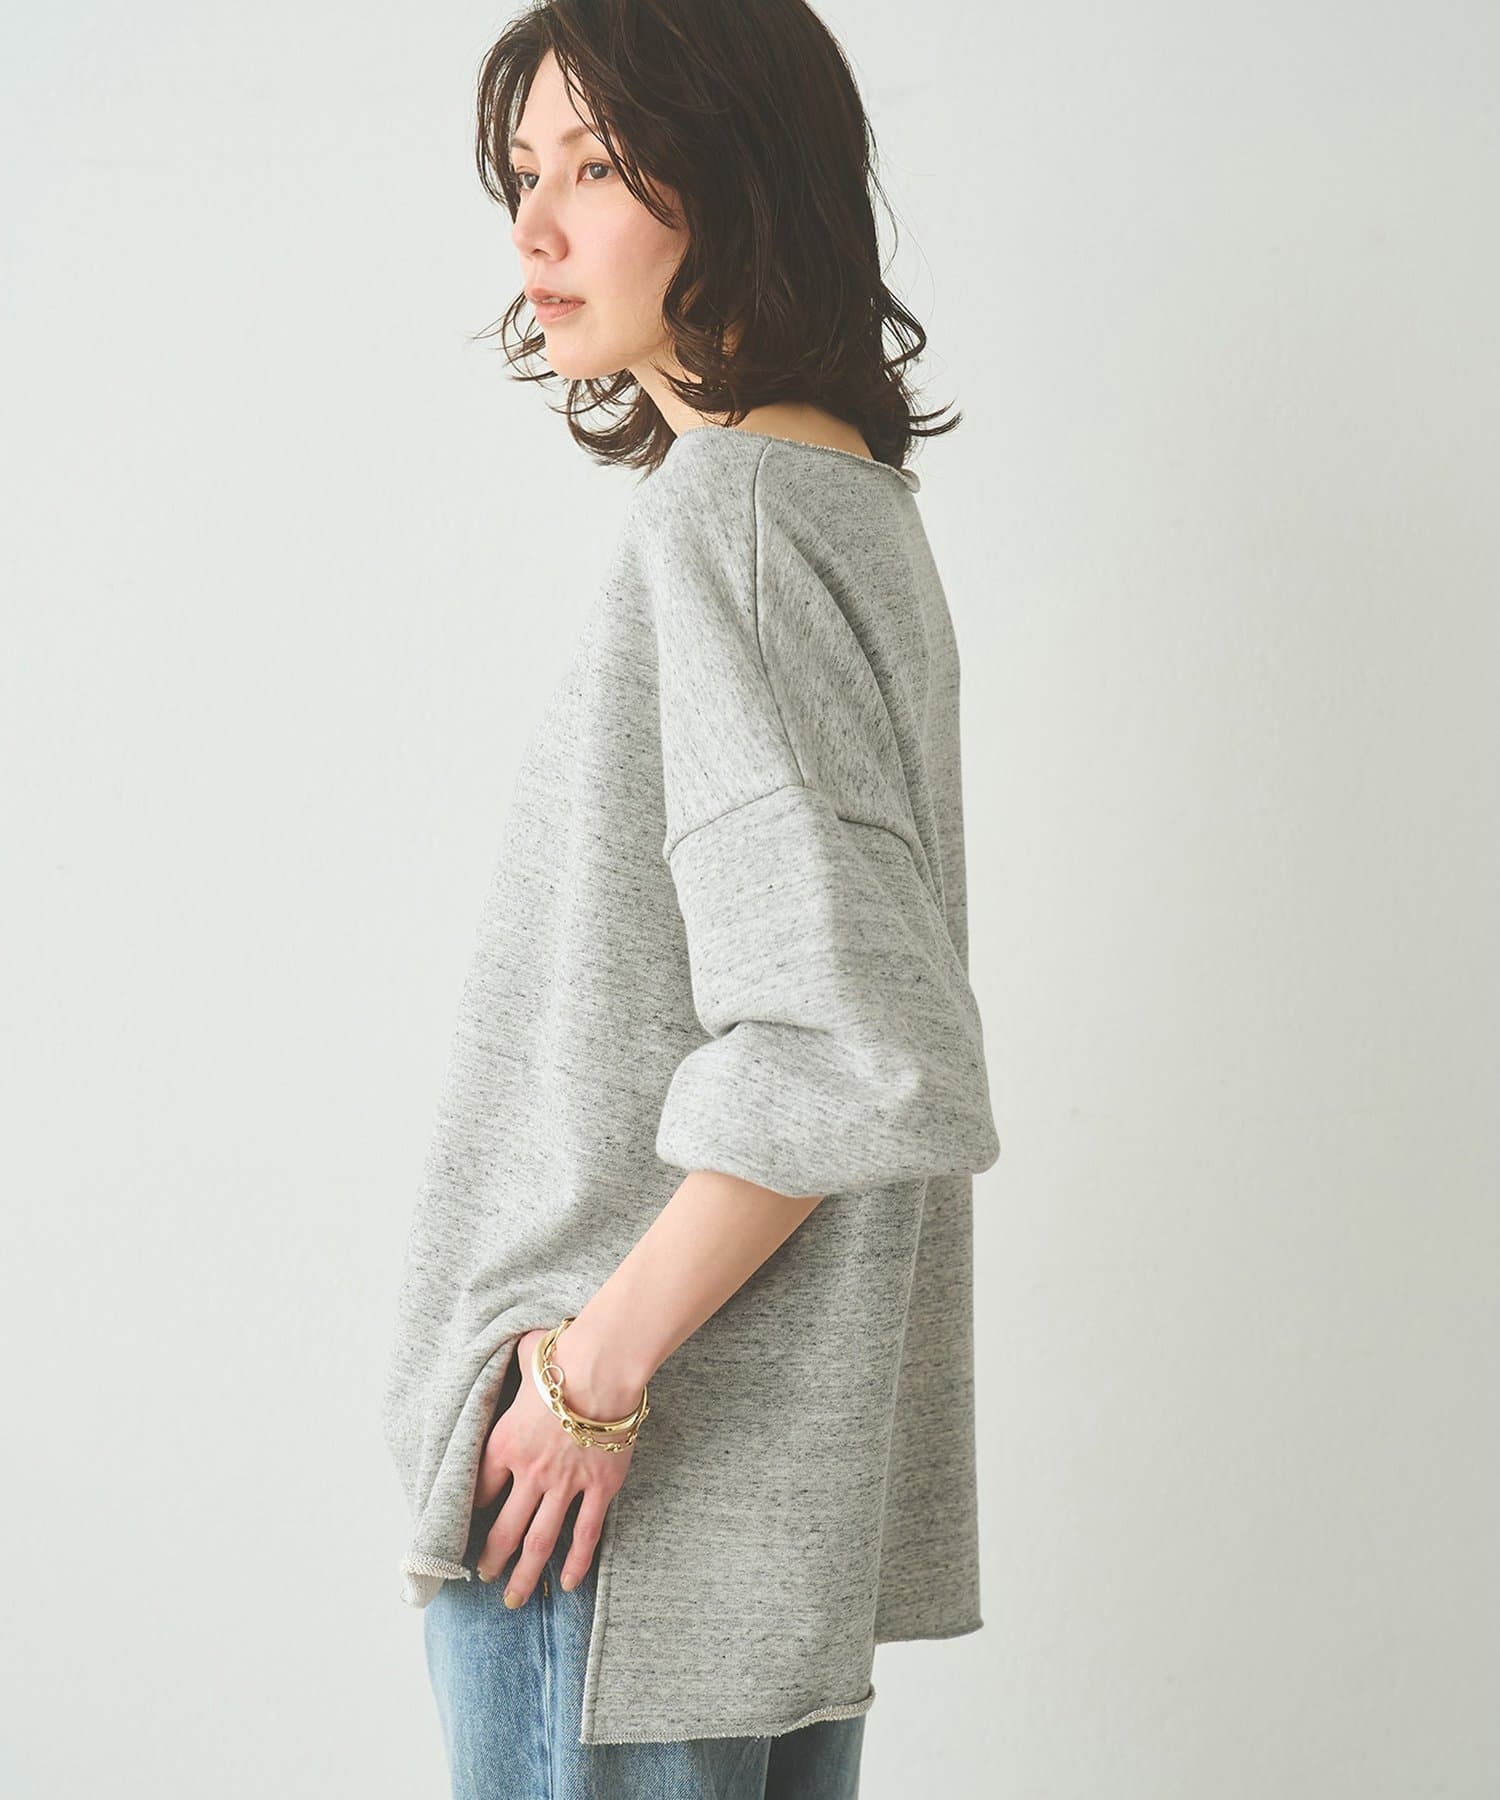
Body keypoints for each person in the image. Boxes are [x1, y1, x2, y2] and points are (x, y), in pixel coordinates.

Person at [380, 3, 1003, 1795]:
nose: (536, 228)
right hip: (728, 1518)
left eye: (597, 167)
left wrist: (587, 1378)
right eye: (523, 173)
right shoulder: (841, 502)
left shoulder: (728, 518)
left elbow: (853, 1044)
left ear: (734, 180)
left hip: (614, 1512)